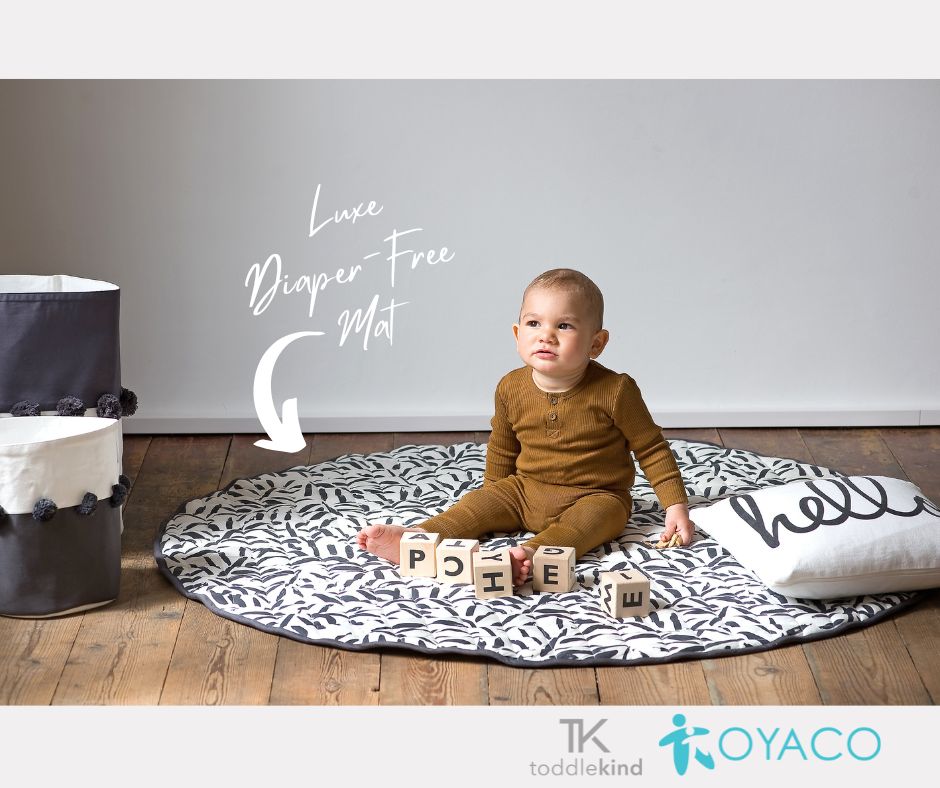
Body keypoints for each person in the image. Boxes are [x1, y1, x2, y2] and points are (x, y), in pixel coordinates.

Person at [357, 268, 696, 585]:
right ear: (518, 334)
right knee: (472, 507)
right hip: (524, 490)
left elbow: (651, 448)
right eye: (534, 323)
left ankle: (531, 554)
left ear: (596, 344)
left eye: (564, 326)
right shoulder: (511, 387)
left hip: (596, 494)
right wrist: (492, 496)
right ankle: (418, 537)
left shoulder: (616, 390)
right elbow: (503, 446)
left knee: (593, 521)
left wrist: (675, 506)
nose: (546, 335)